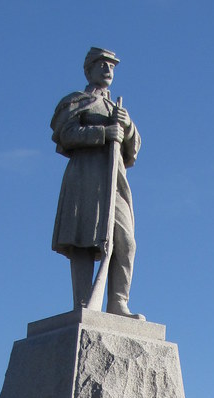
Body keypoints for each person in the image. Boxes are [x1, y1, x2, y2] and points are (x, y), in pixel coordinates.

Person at [50, 47, 144, 319]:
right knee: (82, 239)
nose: (108, 70)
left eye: (111, 66)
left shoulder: (118, 109)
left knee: (125, 241)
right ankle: (83, 302)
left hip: (114, 180)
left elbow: (133, 150)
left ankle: (118, 302)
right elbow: (65, 135)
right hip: (85, 176)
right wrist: (103, 133)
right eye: (102, 64)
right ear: (88, 69)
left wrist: (127, 128)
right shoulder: (76, 101)